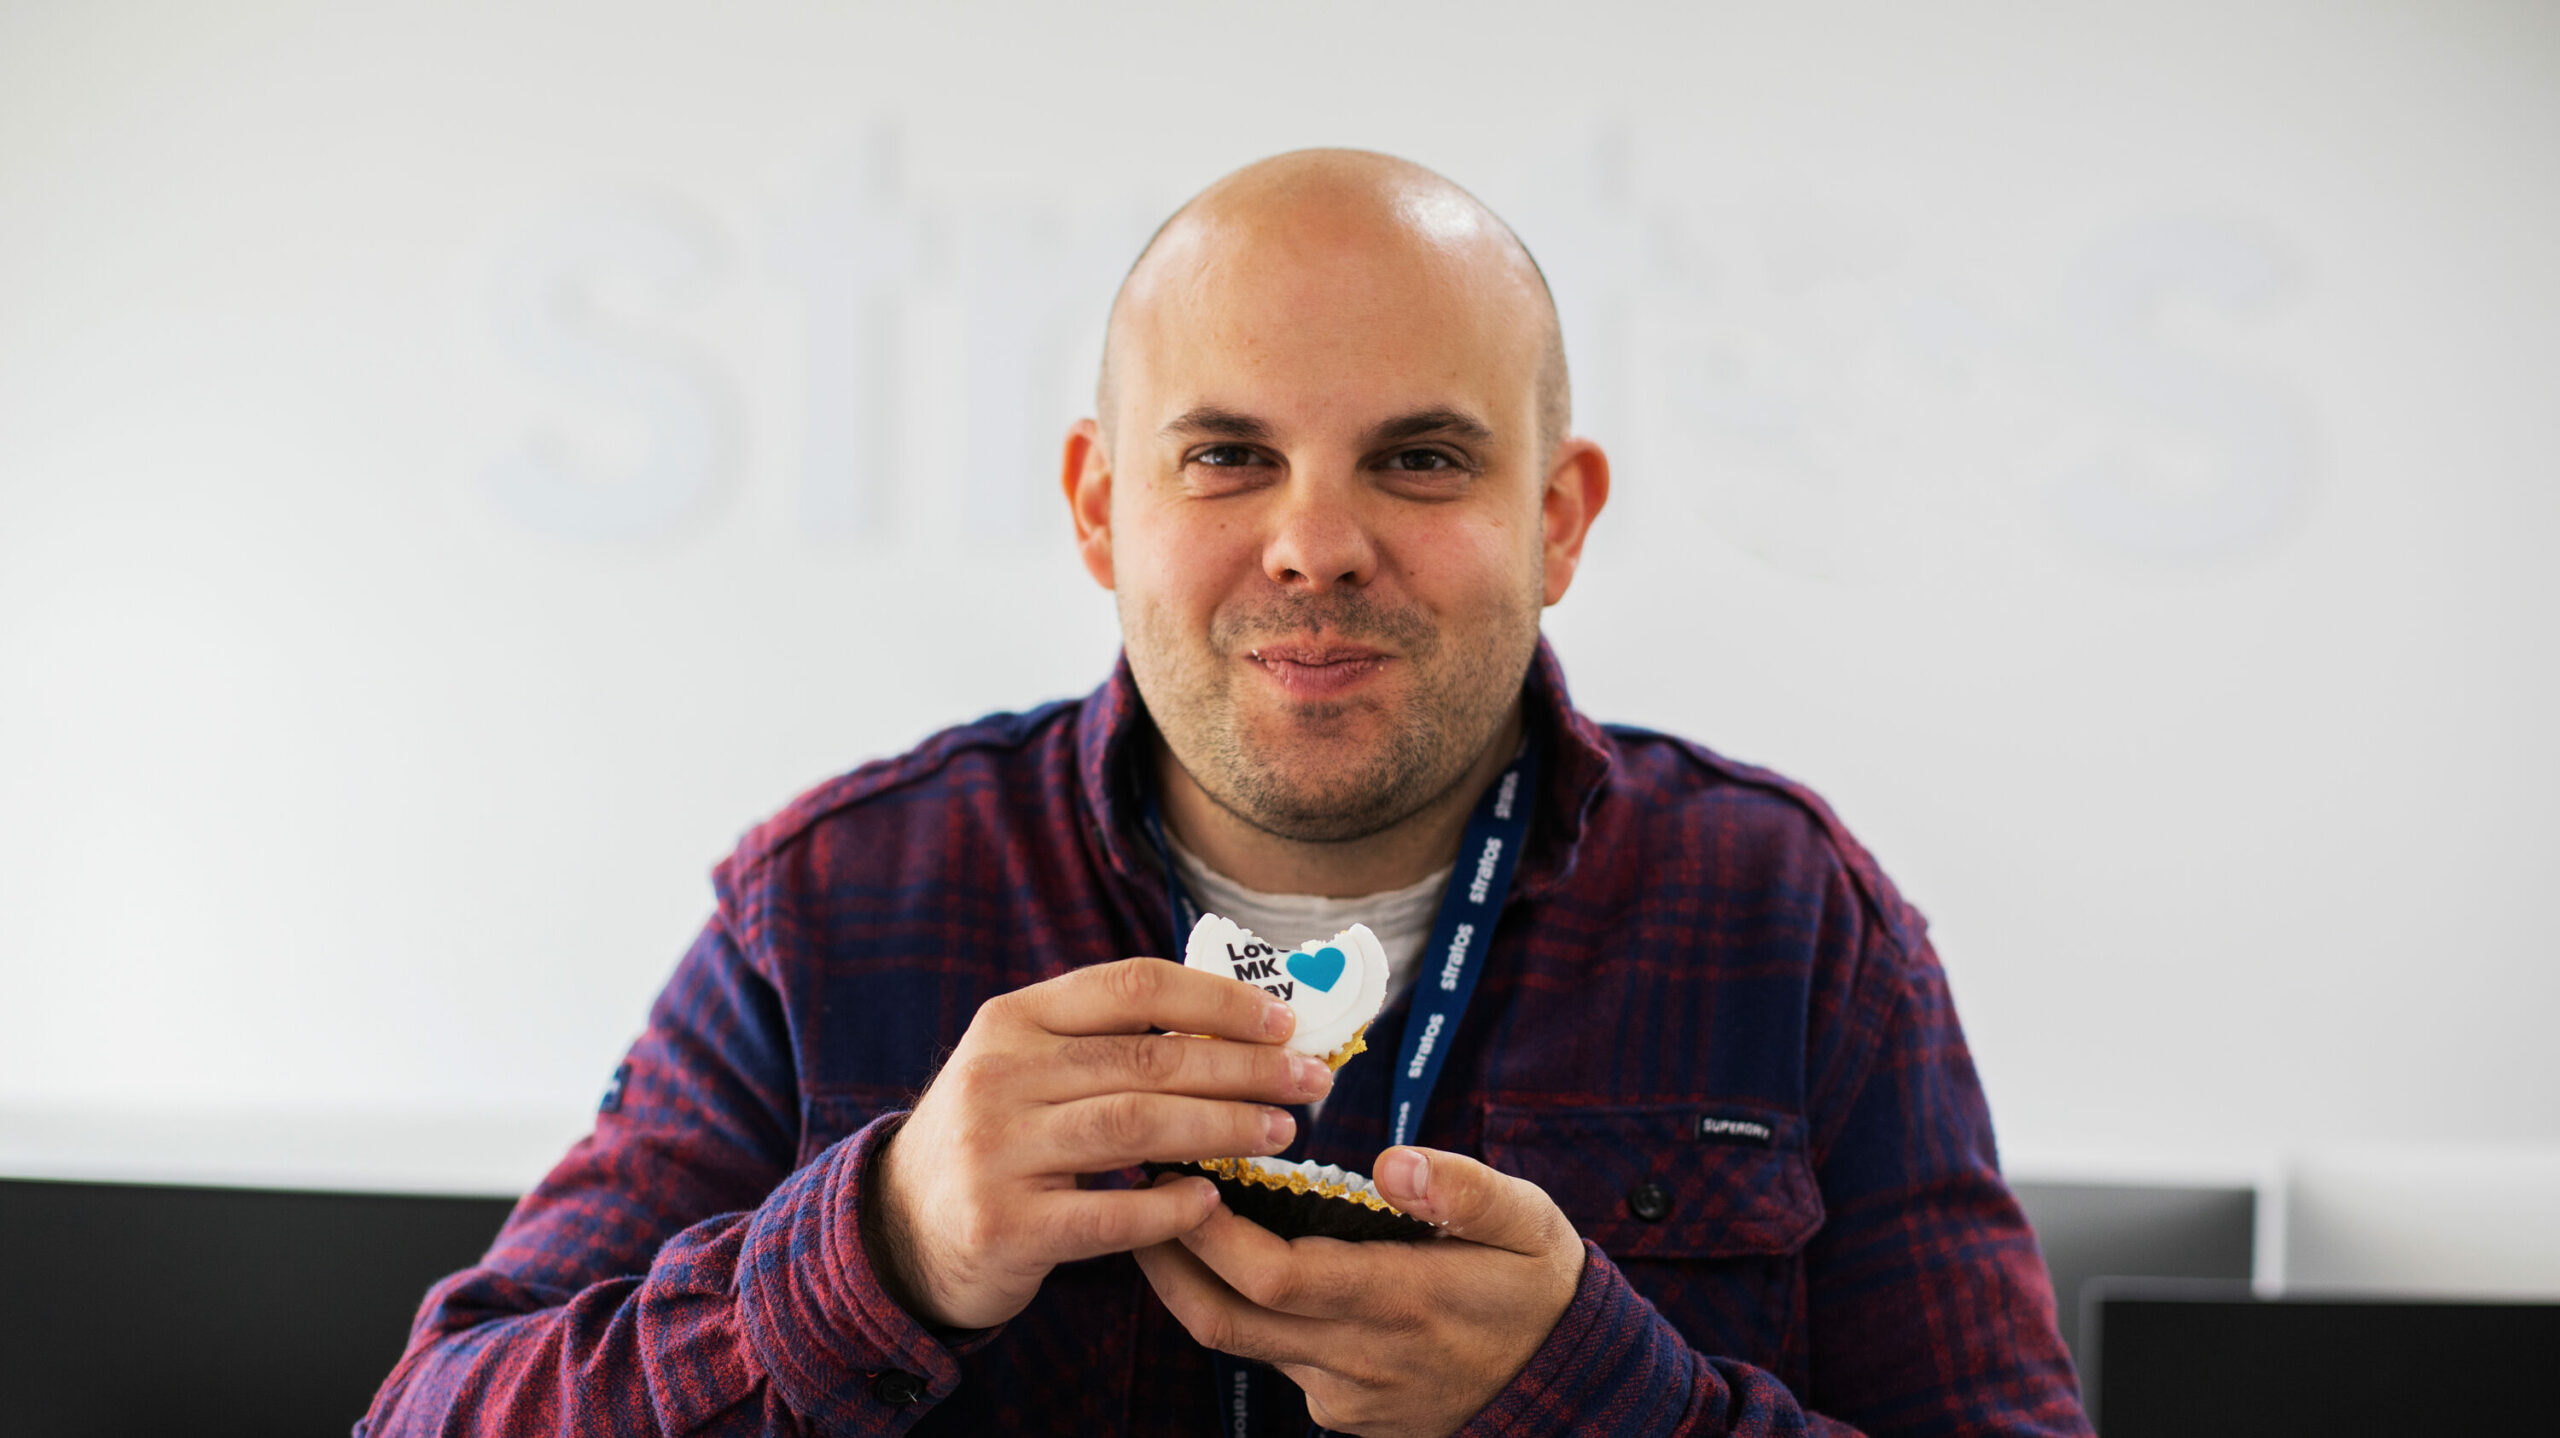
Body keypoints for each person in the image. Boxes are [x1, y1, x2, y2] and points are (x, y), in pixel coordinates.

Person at [362, 150, 2091, 1438]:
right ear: (1102, 507)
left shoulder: (1789, 922)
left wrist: (1596, 1395)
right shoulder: (838, 909)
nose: (1317, 546)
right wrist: (881, 1245)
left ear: (1560, 517)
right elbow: (436, 1411)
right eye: (1227, 456)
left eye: (1419, 459)